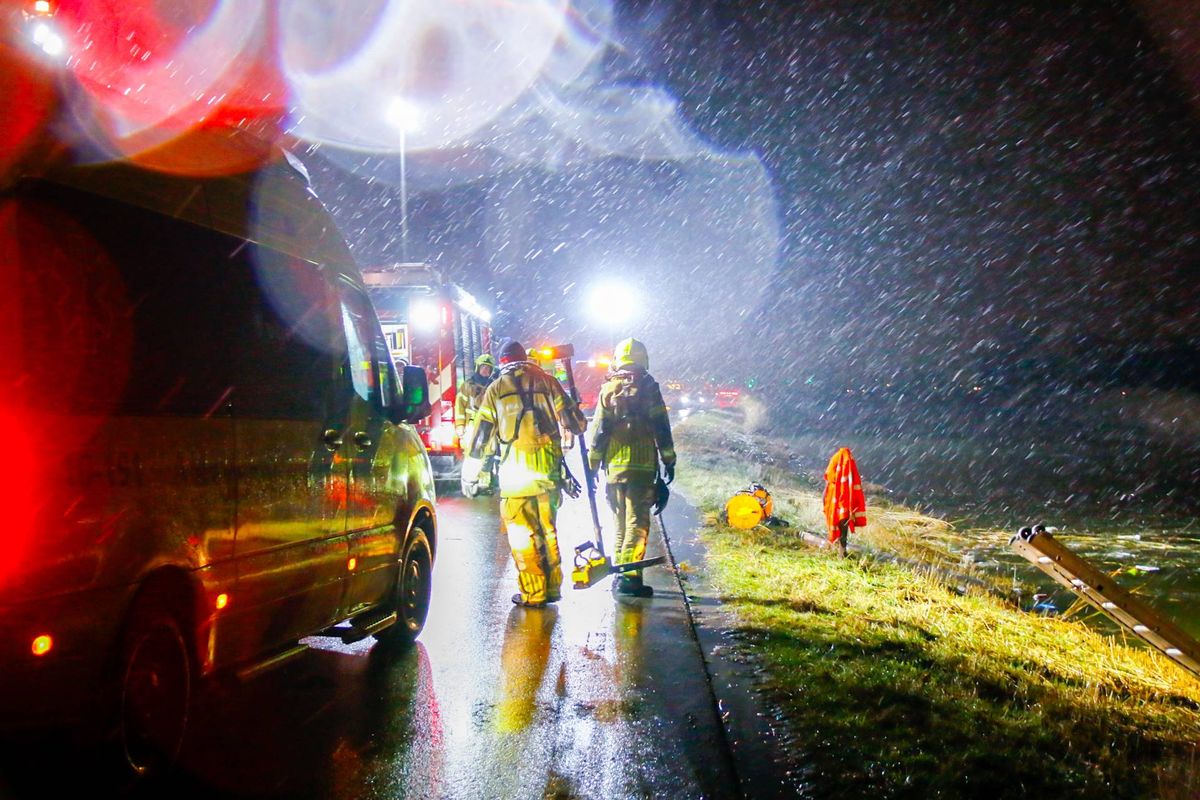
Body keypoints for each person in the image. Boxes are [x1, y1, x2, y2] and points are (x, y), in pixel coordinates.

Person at [463, 340, 587, 607]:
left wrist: (470, 475)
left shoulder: (496, 389)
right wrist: (574, 406)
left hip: (515, 478)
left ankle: (534, 593)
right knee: (548, 532)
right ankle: (553, 587)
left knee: (522, 536)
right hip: (548, 475)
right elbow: (576, 424)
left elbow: (481, 437)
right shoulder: (548, 382)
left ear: (503, 363)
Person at [588, 337, 676, 597]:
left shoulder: (608, 390)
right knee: (637, 525)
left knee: (620, 525)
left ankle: (621, 575)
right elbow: (662, 427)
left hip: (614, 470)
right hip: (642, 469)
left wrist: (593, 465)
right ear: (643, 360)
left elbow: (599, 431)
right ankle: (630, 580)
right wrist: (669, 460)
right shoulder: (649, 389)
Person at [454, 353, 497, 441]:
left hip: (489, 425)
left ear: (491, 371)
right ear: (478, 368)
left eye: (488, 368)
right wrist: (460, 425)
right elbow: (459, 406)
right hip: (471, 425)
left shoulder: (494, 386)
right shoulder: (467, 385)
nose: (485, 369)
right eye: (483, 367)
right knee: (470, 451)